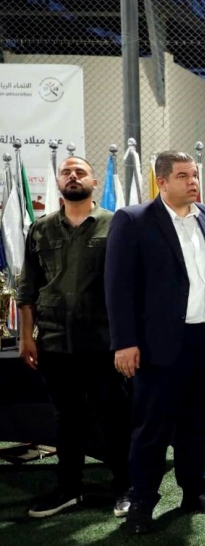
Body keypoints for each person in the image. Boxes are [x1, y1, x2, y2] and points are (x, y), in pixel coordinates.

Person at [105, 150, 205, 534]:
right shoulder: (133, 220)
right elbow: (118, 287)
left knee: (198, 423)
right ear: (161, 182)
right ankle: (142, 502)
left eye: (194, 175)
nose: (193, 182)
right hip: (156, 346)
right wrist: (124, 342)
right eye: (183, 176)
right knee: (152, 429)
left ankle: (196, 491)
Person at [17, 156, 131, 518]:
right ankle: (69, 489)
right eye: (66, 172)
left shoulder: (118, 225)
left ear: (94, 182)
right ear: (59, 182)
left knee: (114, 418)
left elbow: (130, 286)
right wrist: (26, 337)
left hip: (104, 342)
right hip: (55, 342)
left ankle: (126, 486)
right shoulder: (40, 229)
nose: (73, 176)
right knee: (67, 419)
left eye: (80, 171)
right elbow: (27, 287)